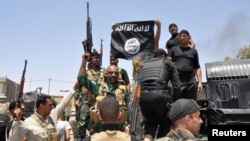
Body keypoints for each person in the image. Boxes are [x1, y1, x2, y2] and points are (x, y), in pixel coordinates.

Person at [77, 51, 130, 135]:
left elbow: (129, 107)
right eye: (111, 73)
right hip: (100, 129)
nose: (113, 75)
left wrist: (129, 124)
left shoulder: (123, 89)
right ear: (106, 74)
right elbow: (81, 79)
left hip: (119, 129)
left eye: (115, 73)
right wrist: (84, 61)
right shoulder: (98, 87)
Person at [139, 48, 181, 141]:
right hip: (160, 97)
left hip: (143, 98)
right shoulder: (167, 63)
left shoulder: (144, 64)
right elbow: (177, 85)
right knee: (165, 124)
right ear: (163, 56)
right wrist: (175, 102)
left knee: (150, 126)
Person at [74, 49, 106, 140]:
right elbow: (79, 85)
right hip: (86, 101)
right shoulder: (85, 71)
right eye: (95, 58)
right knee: (82, 123)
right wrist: (75, 99)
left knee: (99, 123)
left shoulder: (103, 71)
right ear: (91, 59)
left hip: (98, 101)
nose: (98, 60)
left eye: (99, 58)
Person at [170, 29, 202, 101]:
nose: (182, 37)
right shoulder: (173, 50)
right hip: (177, 82)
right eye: (180, 36)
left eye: (184, 36)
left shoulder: (193, 51)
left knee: (191, 104)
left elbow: (197, 67)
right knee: (178, 104)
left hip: (191, 82)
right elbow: (168, 65)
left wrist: (200, 82)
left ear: (189, 37)